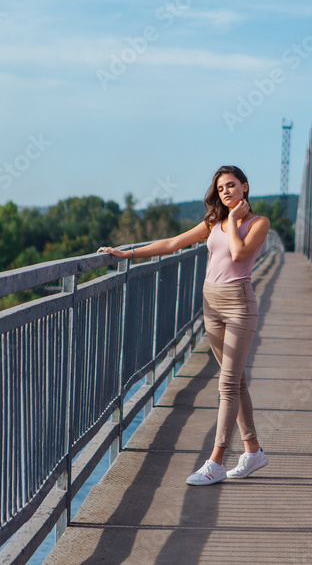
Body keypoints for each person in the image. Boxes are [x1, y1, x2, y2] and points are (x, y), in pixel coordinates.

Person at [97, 165, 271, 485]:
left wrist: (233, 221)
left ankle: (216, 461)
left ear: (245, 188)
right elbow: (172, 243)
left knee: (228, 385)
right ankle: (253, 452)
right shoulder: (212, 223)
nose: (226, 192)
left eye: (232, 186)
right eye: (221, 189)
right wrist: (126, 253)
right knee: (236, 381)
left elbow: (238, 253)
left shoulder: (258, 224)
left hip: (239, 306)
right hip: (211, 305)